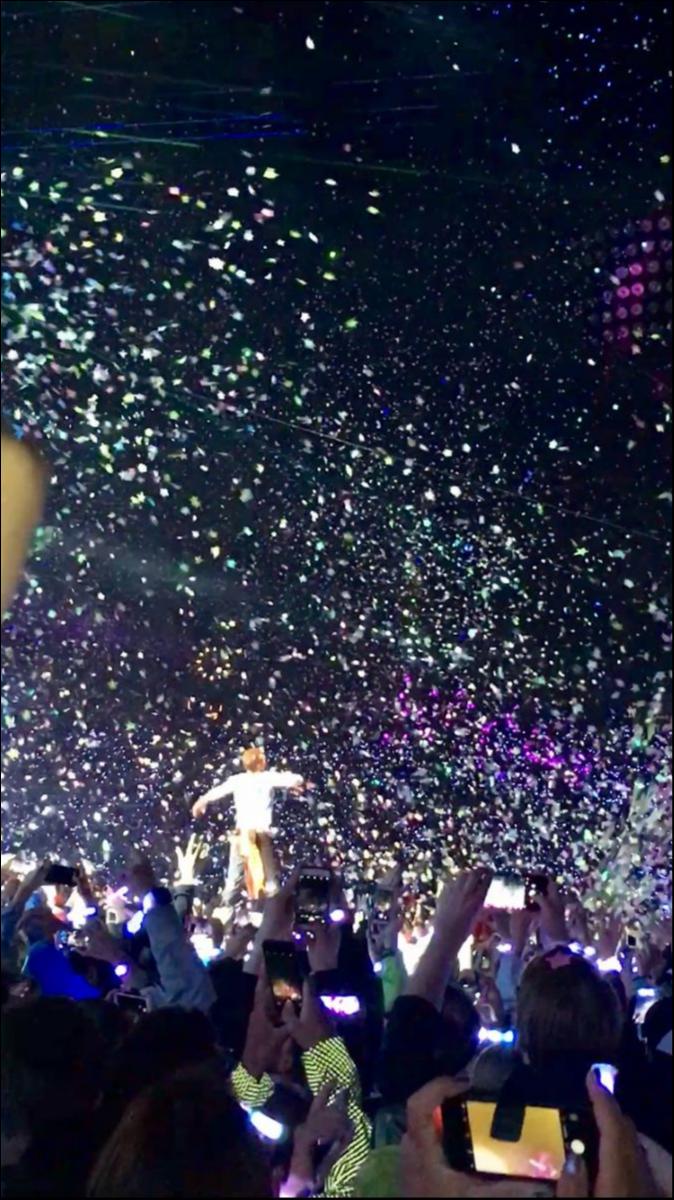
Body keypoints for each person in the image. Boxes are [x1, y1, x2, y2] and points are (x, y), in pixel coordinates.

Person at [192, 747, 307, 908]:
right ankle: (271, 913)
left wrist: (200, 802)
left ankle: (224, 911)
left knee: (233, 879)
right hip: (260, 834)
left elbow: (216, 792)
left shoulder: (238, 780)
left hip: (243, 835)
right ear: (260, 763)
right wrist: (297, 783)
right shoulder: (267, 778)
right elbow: (296, 779)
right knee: (269, 880)